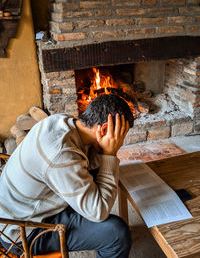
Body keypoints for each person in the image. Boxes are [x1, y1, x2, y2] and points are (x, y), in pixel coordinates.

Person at [0, 94, 134, 258]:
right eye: (120, 136)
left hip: (19, 207)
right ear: (105, 129)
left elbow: (82, 162)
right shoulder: (61, 155)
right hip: (22, 231)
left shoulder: (61, 121)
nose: (120, 142)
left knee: (97, 173)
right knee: (116, 233)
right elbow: (98, 212)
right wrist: (110, 154)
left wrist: (103, 153)